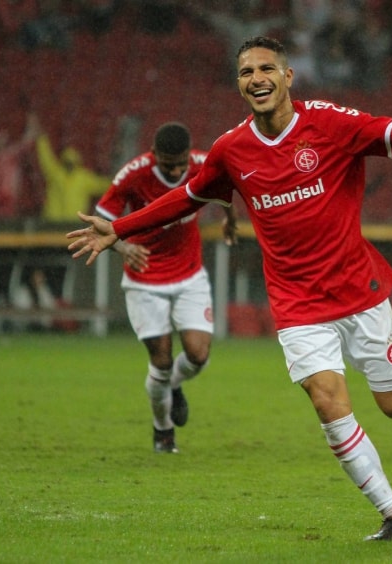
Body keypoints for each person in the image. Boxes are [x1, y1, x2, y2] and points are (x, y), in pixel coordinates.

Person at [67, 35, 392, 541]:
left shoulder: (331, 124)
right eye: (246, 72)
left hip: (357, 289)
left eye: (267, 68)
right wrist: (122, 228)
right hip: (296, 303)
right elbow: (186, 198)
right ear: (239, 85)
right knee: (326, 399)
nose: (257, 79)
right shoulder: (230, 149)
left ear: (288, 76)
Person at [94, 122, 237, 454]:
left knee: (198, 355)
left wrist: (229, 219)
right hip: (145, 278)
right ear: (153, 154)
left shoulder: (203, 163)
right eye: (168, 162)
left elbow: (229, 184)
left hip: (189, 274)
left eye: (181, 162)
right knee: (160, 359)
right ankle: (163, 432)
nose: (175, 169)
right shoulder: (133, 174)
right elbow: (101, 220)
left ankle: (172, 386)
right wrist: (123, 247)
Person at [36, 127, 110, 222]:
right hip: (54, 222)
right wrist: (41, 139)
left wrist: (120, 181)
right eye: (67, 163)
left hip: (71, 223)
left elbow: (102, 185)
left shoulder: (82, 177)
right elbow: (45, 158)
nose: (69, 165)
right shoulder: (56, 172)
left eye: (71, 163)